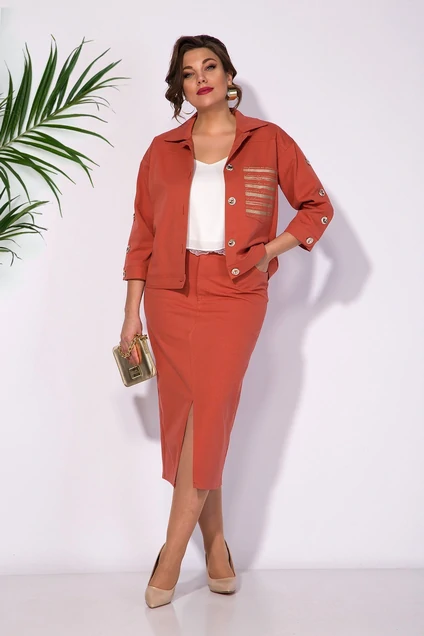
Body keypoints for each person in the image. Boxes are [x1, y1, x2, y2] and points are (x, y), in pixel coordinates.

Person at [120, 34, 334, 608]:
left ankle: (170, 554)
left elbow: (317, 207)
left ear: (229, 74)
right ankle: (217, 548)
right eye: (188, 73)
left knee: (210, 411)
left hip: (235, 293)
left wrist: (268, 252)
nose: (201, 78)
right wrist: (130, 314)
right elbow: (142, 234)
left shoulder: (269, 140)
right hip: (168, 293)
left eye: (209, 66)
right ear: (181, 88)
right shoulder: (161, 149)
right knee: (188, 419)